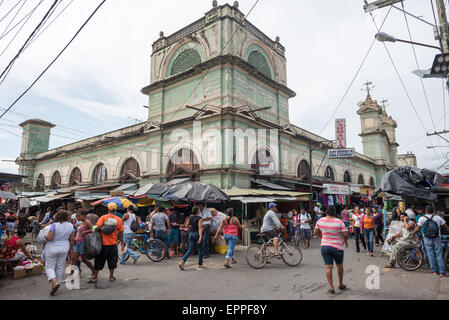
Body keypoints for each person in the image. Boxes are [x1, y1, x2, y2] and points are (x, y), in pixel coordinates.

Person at [314, 205, 348, 294]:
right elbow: (345, 234)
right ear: (335, 212)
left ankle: (331, 287)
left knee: (328, 267)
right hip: (337, 247)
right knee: (339, 265)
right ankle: (340, 284)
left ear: (326, 212)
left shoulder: (320, 221)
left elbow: (315, 232)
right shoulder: (339, 222)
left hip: (325, 246)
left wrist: (322, 237)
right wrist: (345, 241)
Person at [89, 203, 125, 283]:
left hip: (103, 244)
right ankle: (111, 276)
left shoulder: (103, 217)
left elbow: (97, 227)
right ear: (115, 210)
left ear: (108, 209)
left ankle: (95, 277)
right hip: (113, 244)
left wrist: (101, 229)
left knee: (98, 261)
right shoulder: (118, 219)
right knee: (112, 260)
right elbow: (121, 231)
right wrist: (122, 241)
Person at [43, 210, 75, 296]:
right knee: (60, 266)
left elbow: (49, 238)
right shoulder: (70, 225)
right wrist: (71, 249)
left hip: (53, 248)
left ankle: (54, 282)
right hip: (65, 247)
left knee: (49, 266)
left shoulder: (54, 225)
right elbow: (72, 239)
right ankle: (56, 284)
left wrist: (45, 235)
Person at [414, 205, 449, 277]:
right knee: (439, 255)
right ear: (433, 211)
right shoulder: (438, 218)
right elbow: (446, 227)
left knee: (430, 255)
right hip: (437, 238)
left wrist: (412, 234)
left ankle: (434, 271)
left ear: (425, 211)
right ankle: (442, 272)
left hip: (427, 238)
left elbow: (417, 228)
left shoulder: (422, 218)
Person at [66, 210, 95, 281]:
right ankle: (72, 274)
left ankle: (94, 271)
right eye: (76, 216)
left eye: (78, 216)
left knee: (84, 259)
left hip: (83, 243)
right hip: (77, 242)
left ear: (83, 215)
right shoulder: (81, 223)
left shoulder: (87, 222)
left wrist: (86, 232)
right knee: (74, 258)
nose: (77, 218)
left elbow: (94, 229)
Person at [179, 206, 205, 271]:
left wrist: (191, 226)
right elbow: (200, 228)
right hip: (197, 234)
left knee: (190, 249)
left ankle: (182, 261)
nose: (200, 210)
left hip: (191, 234)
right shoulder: (200, 218)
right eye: (199, 209)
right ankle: (200, 264)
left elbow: (186, 226)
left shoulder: (190, 217)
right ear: (197, 211)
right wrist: (200, 237)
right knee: (200, 250)